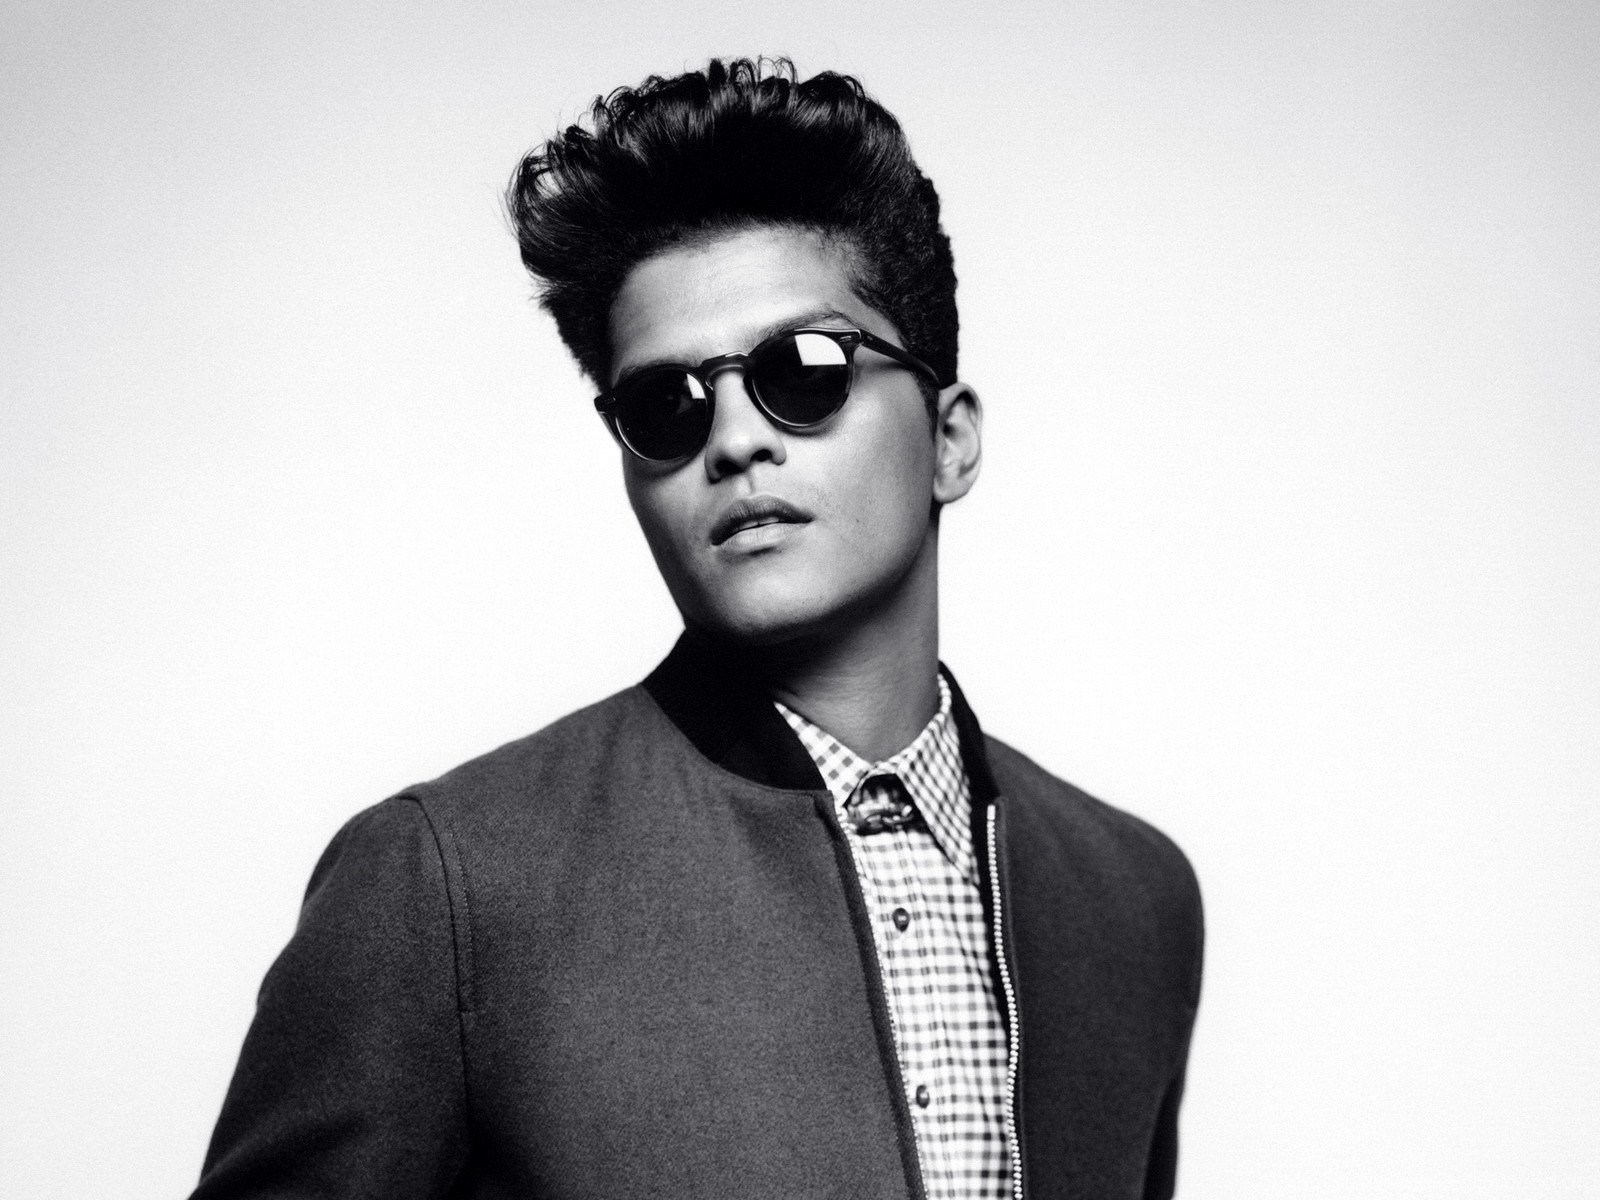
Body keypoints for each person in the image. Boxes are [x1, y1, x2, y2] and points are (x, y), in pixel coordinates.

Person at [193, 58, 1203, 1200]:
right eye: (664, 405)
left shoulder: (1134, 899)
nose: (732, 440)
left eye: (803, 372)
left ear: (950, 439)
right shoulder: (444, 886)